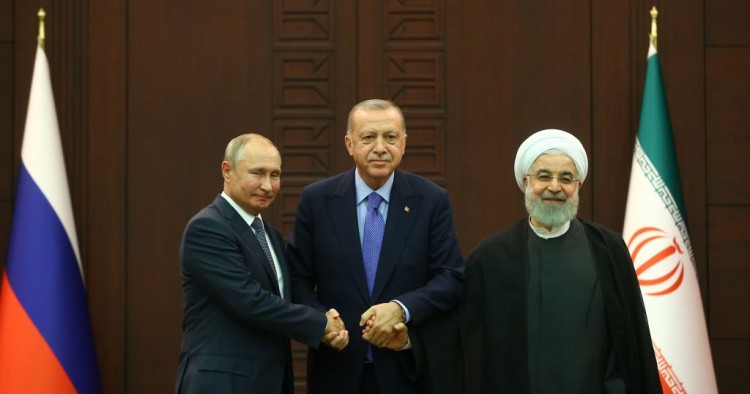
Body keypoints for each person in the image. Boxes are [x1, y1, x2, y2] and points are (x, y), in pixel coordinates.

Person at [384, 129, 662, 393]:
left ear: (578, 186)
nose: (555, 187)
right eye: (544, 176)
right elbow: (458, 329)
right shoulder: (494, 255)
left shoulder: (608, 250)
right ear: (526, 182)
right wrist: (411, 343)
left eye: (566, 178)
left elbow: (632, 342)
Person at [286, 99, 466, 394]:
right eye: (368, 137)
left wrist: (401, 309)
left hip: (406, 371)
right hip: (337, 370)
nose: (380, 147)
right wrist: (321, 320)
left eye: (390, 137)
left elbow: (451, 278)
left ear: (404, 143)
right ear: (349, 144)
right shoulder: (317, 201)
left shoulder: (431, 201)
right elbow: (297, 278)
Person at [175, 133, 349, 394]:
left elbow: (284, 299)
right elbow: (250, 302)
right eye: (257, 173)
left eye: (275, 175)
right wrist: (319, 324)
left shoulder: (271, 235)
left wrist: (328, 316)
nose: (268, 186)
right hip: (222, 384)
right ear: (227, 171)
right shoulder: (208, 228)